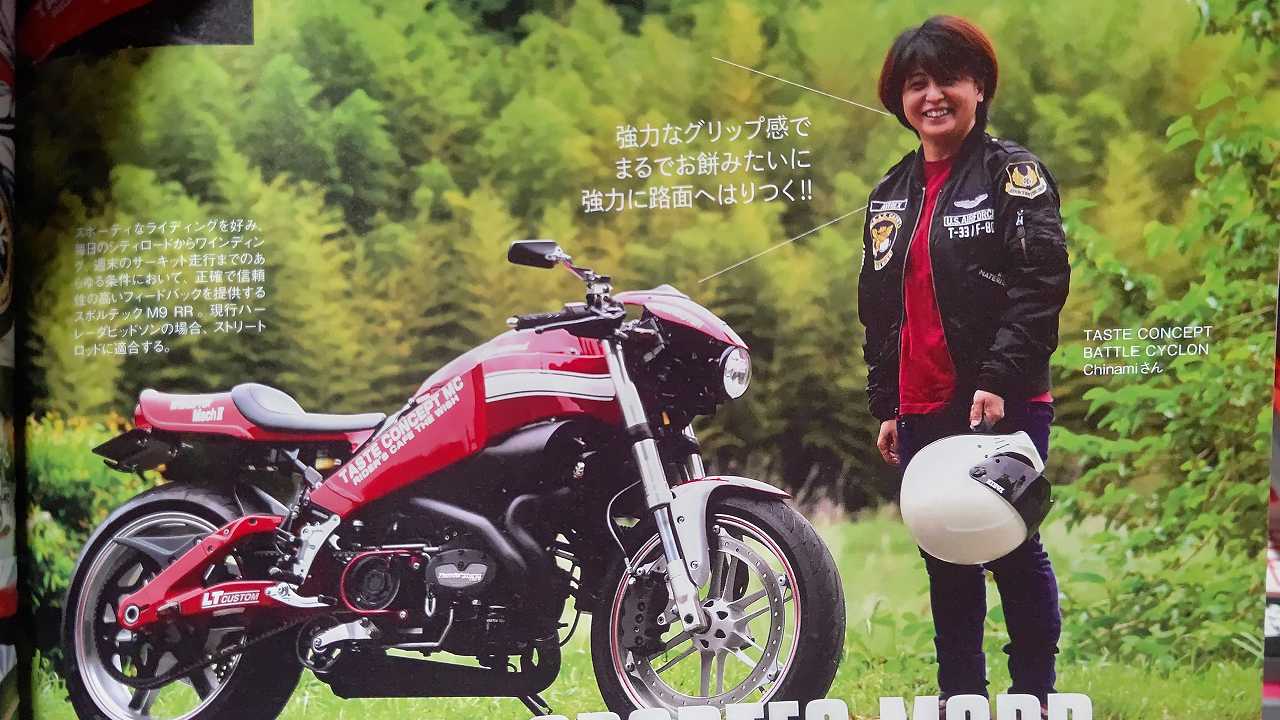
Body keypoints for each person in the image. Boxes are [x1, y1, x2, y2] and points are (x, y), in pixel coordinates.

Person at [856, 15, 1071, 712]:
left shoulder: (1014, 174)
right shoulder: (890, 193)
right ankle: (961, 698)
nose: (933, 96)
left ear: (978, 86)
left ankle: (1033, 696)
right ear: (899, 99)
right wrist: (887, 405)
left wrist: (998, 379)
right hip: (921, 403)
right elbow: (879, 311)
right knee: (946, 552)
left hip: (1002, 398)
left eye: (948, 79)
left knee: (1009, 541)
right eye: (916, 84)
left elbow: (1041, 282)